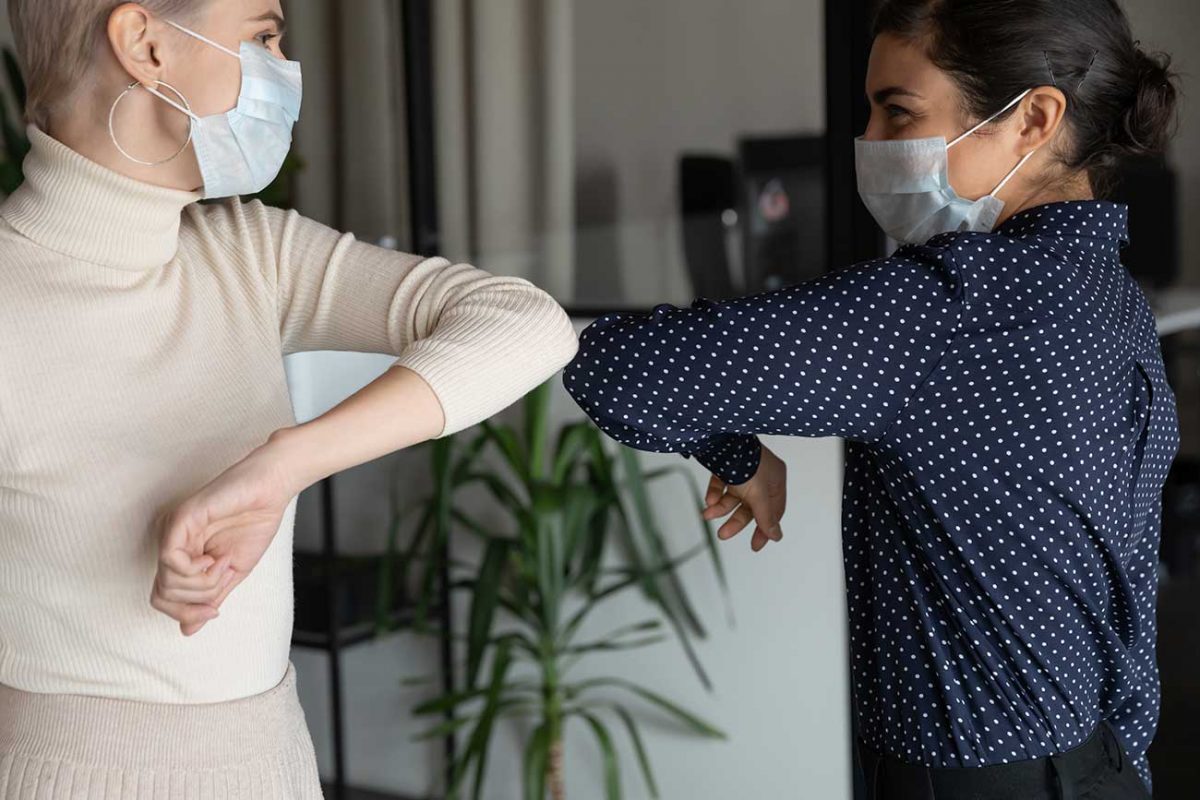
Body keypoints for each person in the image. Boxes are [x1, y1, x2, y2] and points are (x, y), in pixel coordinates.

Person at [562, 0, 1181, 798]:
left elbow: (614, 366)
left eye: (898, 112)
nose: (871, 143)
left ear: (1033, 117)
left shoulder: (945, 309)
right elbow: (1131, 593)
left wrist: (738, 455)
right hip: (1101, 766)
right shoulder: (1112, 294)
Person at [0, 0, 578, 795]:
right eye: (263, 35)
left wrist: (285, 465)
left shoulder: (251, 252)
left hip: (273, 765)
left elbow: (528, 323)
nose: (282, 66)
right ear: (145, 44)